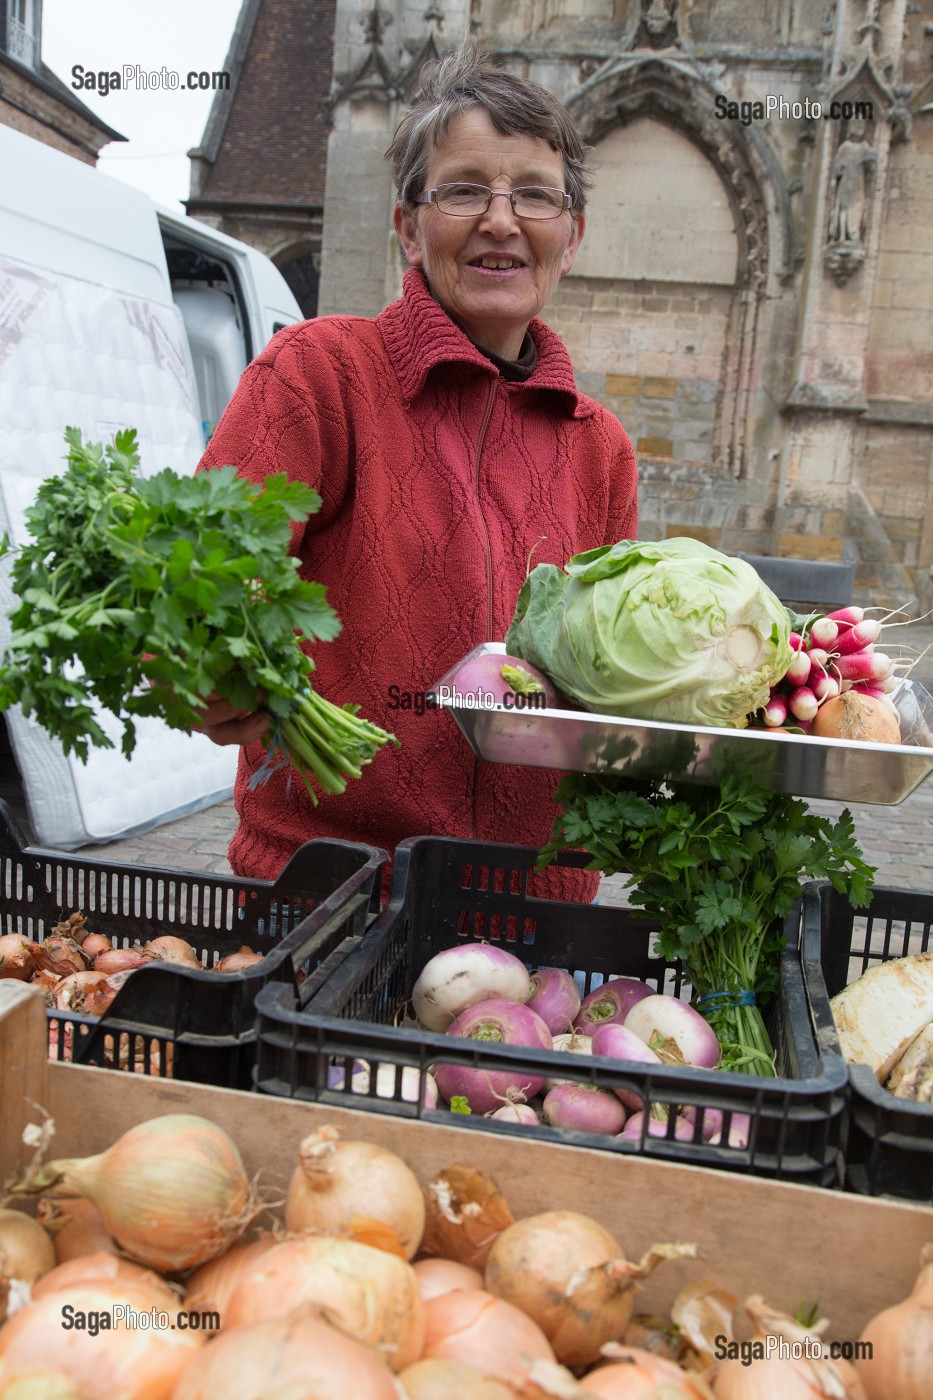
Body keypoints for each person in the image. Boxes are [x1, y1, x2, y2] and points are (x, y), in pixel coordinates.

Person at [193, 42, 638, 900]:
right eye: (464, 189)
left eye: (535, 196)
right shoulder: (321, 374)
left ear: (571, 236)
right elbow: (208, 587)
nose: (500, 221)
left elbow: (600, 679)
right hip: (329, 894)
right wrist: (209, 680)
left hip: (533, 913)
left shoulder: (599, 447)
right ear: (407, 224)